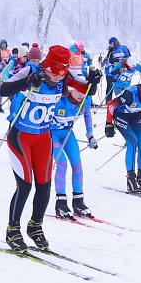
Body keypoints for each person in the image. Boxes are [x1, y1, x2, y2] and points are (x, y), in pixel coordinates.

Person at [0, 44, 84, 251]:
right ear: (46, 66)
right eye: (52, 74)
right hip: (20, 137)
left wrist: (95, 80)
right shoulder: (31, 70)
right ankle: (13, 229)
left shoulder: (65, 77)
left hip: (44, 138)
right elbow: (3, 89)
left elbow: (84, 88)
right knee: (25, 185)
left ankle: (35, 226)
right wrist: (26, 83)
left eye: (60, 75)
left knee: (45, 185)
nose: (56, 79)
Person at [52, 63, 101, 218]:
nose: (81, 95)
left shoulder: (84, 101)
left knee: (77, 164)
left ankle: (78, 202)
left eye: (84, 92)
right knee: (62, 163)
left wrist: (90, 135)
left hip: (67, 133)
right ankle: (61, 203)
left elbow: (87, 115)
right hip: (51, 134)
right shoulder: (60, 100)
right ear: (70, 89)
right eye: (78, 91)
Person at [106, 70, 141, 192]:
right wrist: (109, 124)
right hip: (121, 115)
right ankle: (130, 179)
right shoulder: (130, 94)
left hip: (135, 115)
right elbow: (111, 105)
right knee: (133, 142)